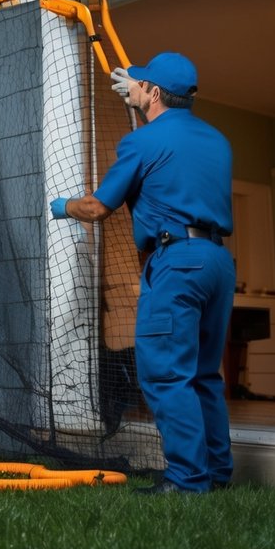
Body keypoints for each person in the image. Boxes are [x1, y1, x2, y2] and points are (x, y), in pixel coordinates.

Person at [50, 52, 235, 495]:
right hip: (217, 262)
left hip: (177, 262)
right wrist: (136, 94)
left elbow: (97, 207)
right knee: (204, 374)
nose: (131, 87)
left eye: (139, 84)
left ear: (153, 92)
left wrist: (61, 206)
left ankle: (187, 480)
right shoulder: (217, 139)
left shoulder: (142, 142)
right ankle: (216, 473)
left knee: (166, 374)